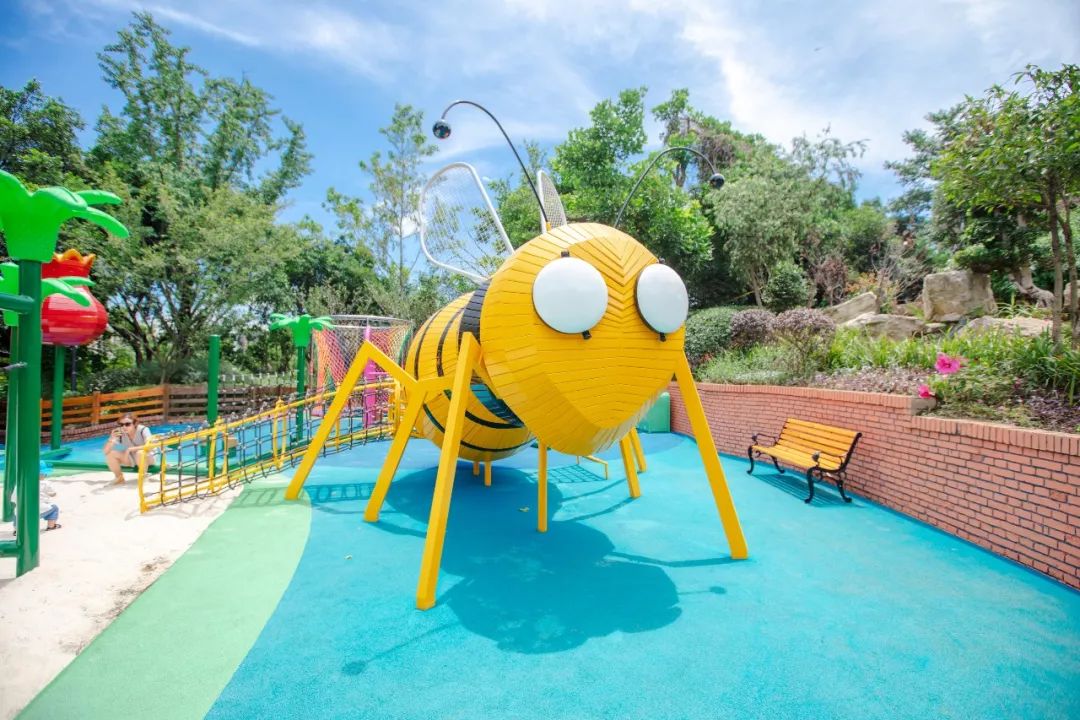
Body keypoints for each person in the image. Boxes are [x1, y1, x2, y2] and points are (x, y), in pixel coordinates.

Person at [103, 413, 156, 484]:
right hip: (131, 457)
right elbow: (105, 452)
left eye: (127, 424)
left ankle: (143, 476)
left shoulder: (143, 430)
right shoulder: (119, 432)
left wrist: (130, 449)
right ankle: (119, 478)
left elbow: (150, 446)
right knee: (110, 454)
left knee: (139, 453)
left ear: (134, 424)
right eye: (121, 424)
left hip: (148, 457)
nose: (124, 427)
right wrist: (112, 439)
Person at [10, 461, 61, 532]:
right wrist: (51, 494)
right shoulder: (45, 483)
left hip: (21, 511)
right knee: (54, 508)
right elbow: (53, 494)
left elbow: (13, 499)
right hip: (36, 511)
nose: (45, 475)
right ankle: (51, 526)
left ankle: (16, 530)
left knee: (17, 513)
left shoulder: (20, 483)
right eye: (44, 474)